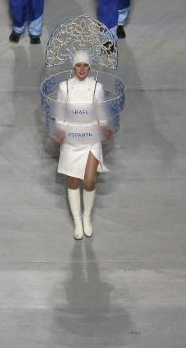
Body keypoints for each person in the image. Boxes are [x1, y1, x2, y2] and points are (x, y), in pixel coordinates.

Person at [54, 51, 113, 240]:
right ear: (73, 67)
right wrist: (61, 130)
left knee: (89, 180)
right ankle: (78, 222)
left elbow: (101, 112)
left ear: (90, 67)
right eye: (78, 65)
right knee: (73, 181)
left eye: (85, 65)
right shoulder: (65, 87)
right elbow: (60, 112)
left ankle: (87, 217)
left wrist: (104, 127)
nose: (82, 69)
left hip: (91, 139)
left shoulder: (97, 87)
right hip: (72, 139)